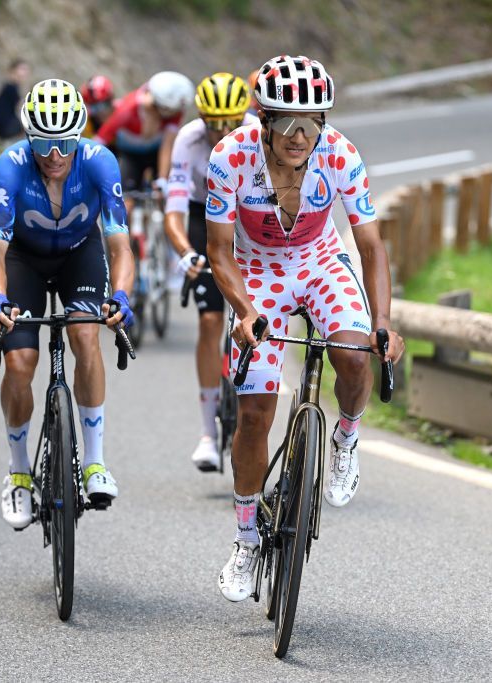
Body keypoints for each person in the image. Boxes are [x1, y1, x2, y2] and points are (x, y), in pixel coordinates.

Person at [205, 56, 405, 601]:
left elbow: (369, 246)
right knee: (253, 412)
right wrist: (244, 312)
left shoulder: (340, 154)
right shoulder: (230, 157)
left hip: (319, 262)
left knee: (354, 353)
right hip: (256, 272)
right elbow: (219, 253)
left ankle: (345, 438)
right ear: (264, 121)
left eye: (312, 122)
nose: (301, 136)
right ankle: (246, 539)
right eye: (288, 123)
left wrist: (382, 322)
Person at [0, 78, 135, 529]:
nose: (54, 155)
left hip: (78, 256)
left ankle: (95, 462)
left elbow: (120, 246)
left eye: (64, 143)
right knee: (21, 362)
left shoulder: (99, 162)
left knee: (85, 334)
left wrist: (122, 296)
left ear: (79, 135)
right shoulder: (9, 166)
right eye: (44, 144)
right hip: (22, 259)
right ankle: (19, 473)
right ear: (30, 139)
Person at [163, 72, 258, 471]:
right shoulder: (188, 138)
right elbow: (175, 209)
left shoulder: (256, 131)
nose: (222, 131)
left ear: (243, 116)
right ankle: (207, 431)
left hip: (247, 214)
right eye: (213, 123)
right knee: (208, 321)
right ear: (202, 117)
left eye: (230, 122)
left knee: (256, 316)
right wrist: (185, 253)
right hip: (205, 216)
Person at [93, 71, 194, 204]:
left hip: (155, 153)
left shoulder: (173, 110)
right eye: (171, 111)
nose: (174, 115)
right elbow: (99, 141)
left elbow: (167, 145)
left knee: (164, 197)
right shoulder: (129, 108)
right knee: (125, 200)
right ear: (160, 106)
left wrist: (163, 179)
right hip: (131, 155)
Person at [0, 58, 31, 143]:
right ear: (13, 71)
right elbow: (22, 108)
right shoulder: (10, 88)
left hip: (6, 128)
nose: (25, 72)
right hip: (6, 129)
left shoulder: (10, 87)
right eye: (22, 69)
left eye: (26, 70)